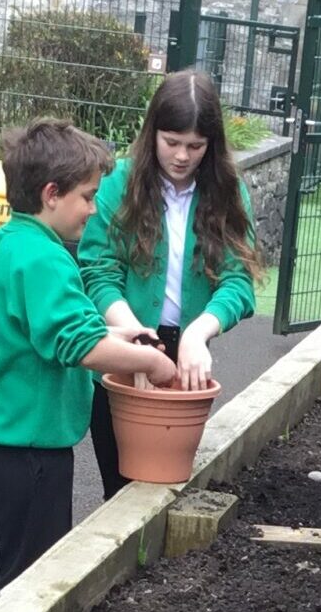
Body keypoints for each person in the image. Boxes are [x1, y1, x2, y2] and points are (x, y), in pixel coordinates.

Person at [0, 118, 180, 590]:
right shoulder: (47, 259)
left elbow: (42, 328)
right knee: (32, 581)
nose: (94, 209)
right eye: (87, 196)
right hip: (29, 449)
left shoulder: (5, 242)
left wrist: (117, 333)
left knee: (21, 561)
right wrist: (154, 362)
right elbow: (81, 346)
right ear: (52, 194)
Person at [79, 68, 264, 496]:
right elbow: (99, 272)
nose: (182, 156)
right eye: (172, 142)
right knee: (119, 489)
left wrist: (198, 334)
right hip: (124, 343)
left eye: (196, 146)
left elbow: (237, 281)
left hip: (187, 355)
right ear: (153, 134)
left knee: (171, 485)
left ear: (211, 145)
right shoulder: (118, 183)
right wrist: (135, 340)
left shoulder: (228, 191)